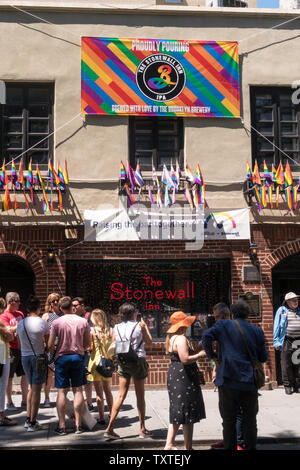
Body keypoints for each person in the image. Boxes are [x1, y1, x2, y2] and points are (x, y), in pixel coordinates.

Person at [202, 300, 268, 451]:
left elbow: (206, 336)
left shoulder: (223, 325)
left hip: (228, 379)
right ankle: (250, 447)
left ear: (232, 314)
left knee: (229, 420)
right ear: (247, 314)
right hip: (249, 382)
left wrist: (212, 356)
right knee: (250, 420)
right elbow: (263, 357)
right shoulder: (257, 330)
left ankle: (230, 446)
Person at [104, 303, 152, 440]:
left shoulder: (116, 327)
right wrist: (145, 327)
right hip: (138, 361)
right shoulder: (139, 326)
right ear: (133, 313)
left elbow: (114, 345)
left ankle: (109, 428)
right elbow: (149, 342)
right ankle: (142, 428)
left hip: (123, 362)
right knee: (140, 395)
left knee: (120, 395)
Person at [48, 296, 91, 435]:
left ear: (61, 308)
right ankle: (78, 425)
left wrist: (55, 349)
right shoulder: (83, 321)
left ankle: (62, 426)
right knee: (78, 390)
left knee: (61, 391)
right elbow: (87, 344)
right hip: (77, 357)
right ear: (72, 307)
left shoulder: (57, 322)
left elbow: (49, 344)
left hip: (61, 357)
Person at [164, 311, 206, 451]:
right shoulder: (181, 339)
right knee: (186, 411)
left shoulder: (171, 337)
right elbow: (185, 359)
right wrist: (200, 354)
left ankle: (169, 444)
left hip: (176, 375)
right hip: (183, 376)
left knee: (178, 410)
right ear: (182, 324)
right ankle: (187, 447)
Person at [209, 303, 244, 451]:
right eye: (215, 317)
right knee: (226, 411)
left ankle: (238, 442)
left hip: (236, 376)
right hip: (224, 375)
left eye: (217, 317)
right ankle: (228, 439)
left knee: (237, 412)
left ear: (225, 315)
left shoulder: (233, 328)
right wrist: (216, 367)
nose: (216, 320)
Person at [17, 295, 50, 432]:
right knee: (37, 390)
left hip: (25, 357)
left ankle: (28, 419)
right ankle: (32, 422)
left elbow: (19, 345)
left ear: (26, 308)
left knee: (32, 387)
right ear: (38, 308)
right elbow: (48, 344)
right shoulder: (43, 323)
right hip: (38, 357)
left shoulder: (21, 323)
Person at [1, 292, 28, 410]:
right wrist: (19, 326)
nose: (19, 303)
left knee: (25, 375)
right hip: (11, 349)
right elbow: (7, 329)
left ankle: (24, 400)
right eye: (16, 301)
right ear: (9, 302)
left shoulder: (20, 314)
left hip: (22, 348)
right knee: (9, 377)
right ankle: (9, 402)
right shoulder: (3, 316)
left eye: (19, 301)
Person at [86, 309, 114, 424]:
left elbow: (89, 348)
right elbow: (113, 348)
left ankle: (102, 418)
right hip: (107, 363)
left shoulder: (92, 331)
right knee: (108, 391)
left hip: (96, 364)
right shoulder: (111, 331)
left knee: (98, 393)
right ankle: (112, 415)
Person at [273, 292, 300, 395]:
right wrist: (276, 342)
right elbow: (276, 326)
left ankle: (297, 385)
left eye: (296, 300)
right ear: (288, 302)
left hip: (297, 340)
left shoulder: (299, 311)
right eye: (293, 300)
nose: (296, 302)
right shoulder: (282, 310)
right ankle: (287, 385)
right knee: (286, 364)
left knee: (297, 363)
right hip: (287, 340)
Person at [72, 297, 94, 411]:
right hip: (75, 351)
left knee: (87, 377)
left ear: (82, 306)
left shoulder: (89, 316)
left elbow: (93, 332)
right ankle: (79, 402)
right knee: (76, 378)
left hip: (86, 352)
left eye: (76, 305)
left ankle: (89, 403)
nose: (73, 307)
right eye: (72, 305)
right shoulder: (71, 317)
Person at [42, 293, 62, 407]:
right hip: (49, 347)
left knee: (60, 372)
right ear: (49, 303)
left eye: (57, 300)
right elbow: (42, 332)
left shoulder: (63, 314)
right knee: (48, 374)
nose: (55, 302)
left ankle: (61, 396)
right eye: (53, 300)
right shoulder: (46, 316)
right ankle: (47, 398)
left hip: (61, 347)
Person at [0, 298, 17, 426]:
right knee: (2, 383)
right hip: (1, 352)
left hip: (3, 351)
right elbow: (10, 335)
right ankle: (1, 415)